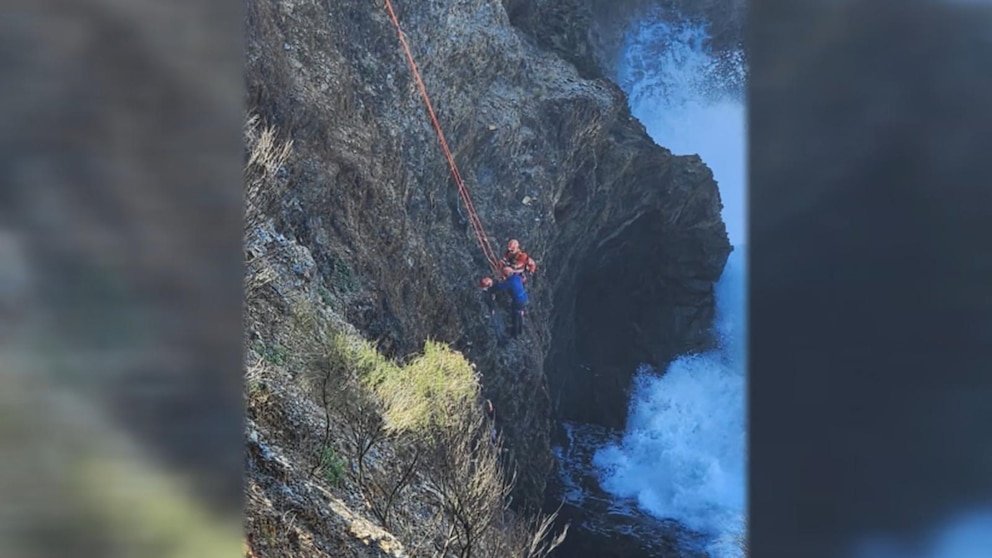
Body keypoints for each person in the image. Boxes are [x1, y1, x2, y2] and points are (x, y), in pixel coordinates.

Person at [488, 266, 528, 338]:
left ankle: (514, 334)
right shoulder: (516, 277)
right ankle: (520, 330)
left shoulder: (510, 282)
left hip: (517, 301)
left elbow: (500, 287)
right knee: (520, 314)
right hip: (524, 297)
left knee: (515, 316)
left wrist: (491, 289)